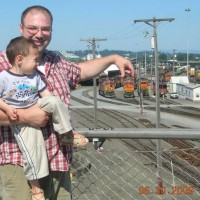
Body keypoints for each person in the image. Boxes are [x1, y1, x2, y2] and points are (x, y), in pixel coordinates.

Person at [0, 5, 135, 200]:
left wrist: (113, 59)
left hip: (59, 160)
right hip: (19, 163)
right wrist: (25, 117)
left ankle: (68, 135)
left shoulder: (55, 61)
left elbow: (81, 70)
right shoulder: (3, 64)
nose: (39, 34)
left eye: (45, 29)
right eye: (32, 28)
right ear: (21, 28)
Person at [0, 36, 88, 200]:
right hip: (22, 119)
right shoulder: (4, 77)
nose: (36, 64)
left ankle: (66, 134)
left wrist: (53, 104)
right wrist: (7, 108)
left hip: (36, 104)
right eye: (34, 60)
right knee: (33, 152)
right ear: (20, 60)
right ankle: (36, 188)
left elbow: (45, 94)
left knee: (54, 101)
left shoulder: (34, 76)